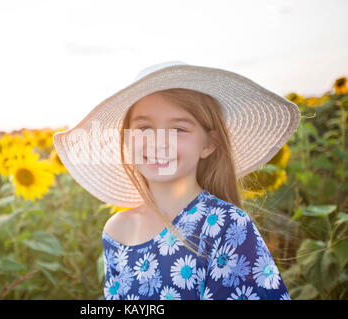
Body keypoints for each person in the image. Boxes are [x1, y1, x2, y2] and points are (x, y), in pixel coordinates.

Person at [53, 61, 300, 300]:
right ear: (127, 139)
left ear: (209, 143)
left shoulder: (225, 226)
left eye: (178, 130)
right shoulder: (117, 231)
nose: (159, 142)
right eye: (144, 128)